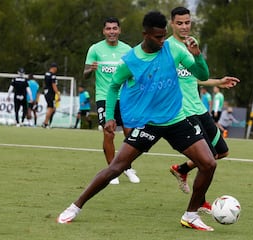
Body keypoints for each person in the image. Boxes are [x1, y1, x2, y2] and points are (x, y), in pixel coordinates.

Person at [57, 10, 217, 231]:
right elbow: (113, 87)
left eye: (164, 36)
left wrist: (198, 56)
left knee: (209, 163)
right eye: (158, 37)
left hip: (176, 119)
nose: (163, 41)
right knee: (116, 168)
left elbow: (201, 74)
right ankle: (75, 207)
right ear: (145, 34)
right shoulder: (131, 60)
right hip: (148, 122)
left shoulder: (175, 50)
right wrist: (111, 116)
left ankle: (190, 215)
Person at [167, 7, 239, 211]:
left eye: (187, 22)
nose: (184, 26)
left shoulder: (193, 44)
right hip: (183, 112)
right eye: (179, 23)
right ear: (172, 23)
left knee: (222, 152)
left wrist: (219, 81)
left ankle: (181, 169)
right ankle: (199, 203)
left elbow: (194, 76)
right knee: (207, 159)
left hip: (199, 108)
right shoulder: (167, 47)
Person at [83, 17, 139, 184]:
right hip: (104, 97)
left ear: (119, 30)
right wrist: (90, 70)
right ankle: (112, 171)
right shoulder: (95, 49)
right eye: (108, 29)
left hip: (125, 97)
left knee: (131, 134)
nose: (112, 32)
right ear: (104, 31)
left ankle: (127, 167)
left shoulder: (127, 50)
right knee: (109, 132)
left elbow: (134, 73)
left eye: (115, 28)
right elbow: (85, 74)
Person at [42, 62, 60, 128]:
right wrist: (58, 94)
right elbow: (54, 85)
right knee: (51, 108)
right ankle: (45, 123)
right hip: (50, 93)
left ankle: (45, 122)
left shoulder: (46, 74)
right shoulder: (53, 76)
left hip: (46, 92)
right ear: (54, 68)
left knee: (50, 108)